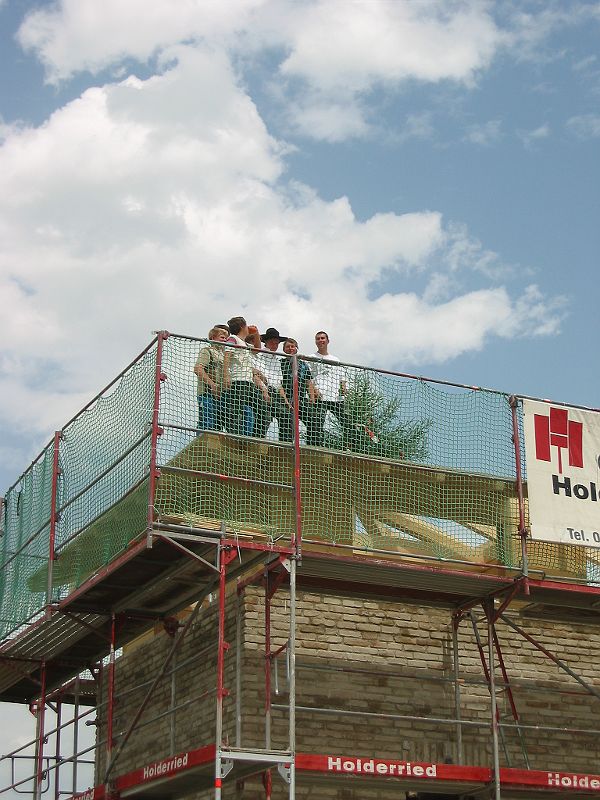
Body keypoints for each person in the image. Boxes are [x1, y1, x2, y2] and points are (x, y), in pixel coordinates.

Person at [222, 316, 270, 438]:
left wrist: (257, 333)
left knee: (264, 412)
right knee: (236, 413)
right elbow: (227, 354)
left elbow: (257, 349)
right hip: (238, 381)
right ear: (242, 327)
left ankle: (257, 438)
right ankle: (234, 438)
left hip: (249, 383)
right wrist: (226, 375)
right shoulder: (233, 339)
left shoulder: (244, 343)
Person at [310, 330, 358, 449]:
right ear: (315, 342)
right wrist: (314, 390)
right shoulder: (311, 357)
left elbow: (342, 377)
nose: (320, 340)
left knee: (346, 422)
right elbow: (308, 377)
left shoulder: (335, 359)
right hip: (320, 396)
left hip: (336, 397)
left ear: (328, 341)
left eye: (323, 338)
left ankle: (349, 447)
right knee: (317, 423)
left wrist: (343, 388)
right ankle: (316, 447)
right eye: (318, 339)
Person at [278, 338, 325, 447]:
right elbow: (278, 382)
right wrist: (285, 400)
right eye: (288, 346)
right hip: (287, 398)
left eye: (293, 346)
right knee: (289, 421)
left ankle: (313, 447)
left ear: (296, 348)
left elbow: (309, 383)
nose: (290, 348)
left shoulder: (303, 365)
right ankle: (286, 447)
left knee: (314, 419)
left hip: (301, 398)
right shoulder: (280, 363)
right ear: (284, 349)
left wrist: (312, 399)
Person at [257, 327, 289, 440]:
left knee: (287, 416)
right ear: (265, 342)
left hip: (275, 392)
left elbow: (279, 383)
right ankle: (258, 442)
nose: (275, 345)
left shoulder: (276, 360)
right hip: (262, 390)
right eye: (272, 342)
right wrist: (264, 390)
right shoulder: (259, 355)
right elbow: (256, 374)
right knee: (265, 417)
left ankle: (285, 447)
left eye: (277, 343)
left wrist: (285, 401)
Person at [193, 326, 228, 430]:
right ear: (213, 338)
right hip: (207, 393)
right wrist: (212, 385)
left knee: (218, 424)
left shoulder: (224, 356)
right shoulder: (207, 351)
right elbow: (198, 369)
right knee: (207, 422)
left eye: (226, 338)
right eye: (222, 337)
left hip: (221, 395)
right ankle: (202, 444)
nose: (225, 340)